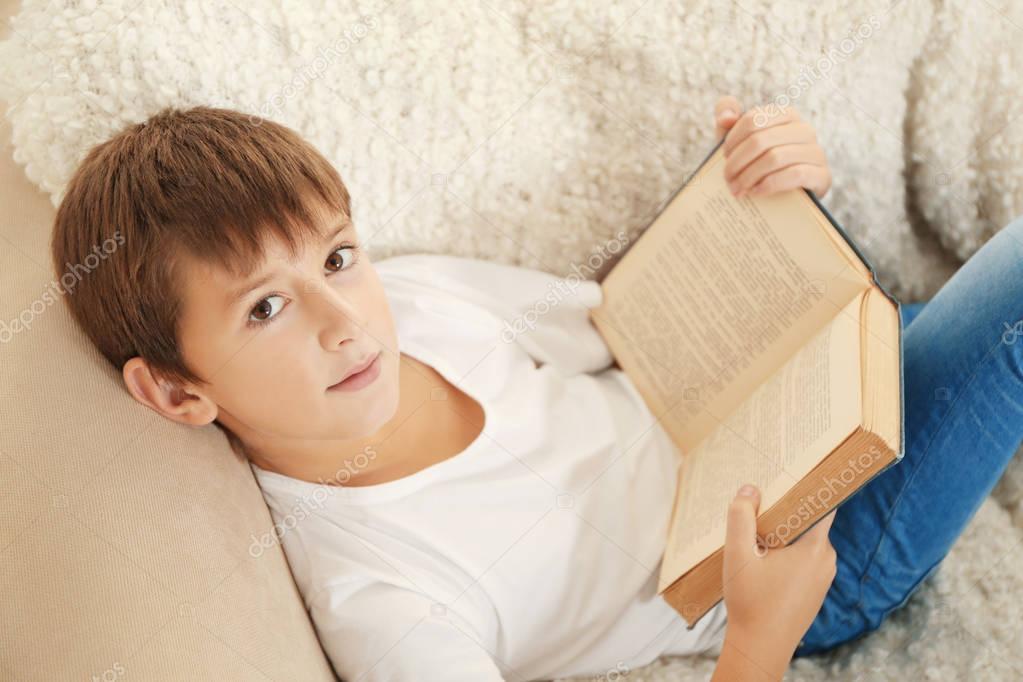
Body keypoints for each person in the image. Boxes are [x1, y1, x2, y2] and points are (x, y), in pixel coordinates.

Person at [48, 98, 1022, 680]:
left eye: (338, 258)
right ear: (177, 394)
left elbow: (624, 319)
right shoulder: (385, 603)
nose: (344, 321)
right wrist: (764, 633)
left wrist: (759, 185)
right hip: (811, 550)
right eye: (266, 309)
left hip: (783, 397)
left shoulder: (415, 305)